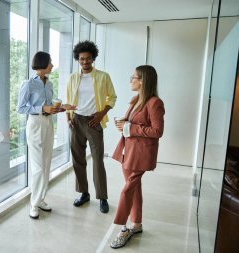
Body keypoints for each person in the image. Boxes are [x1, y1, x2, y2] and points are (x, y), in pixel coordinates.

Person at [110, 65, 165, 249]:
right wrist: (123, 124)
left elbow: (158, 131)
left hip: (141, 155)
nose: (130, 80)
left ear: (142, 81)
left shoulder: (155, 103)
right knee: (134, 189)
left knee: (127, 190)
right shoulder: (136, 100)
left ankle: (124, 228)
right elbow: (132, 125)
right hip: (128, 151)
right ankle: (137, 224)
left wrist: (130, 128)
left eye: (133, 77)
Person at [17, 51, 74, 219]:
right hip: (35, 124)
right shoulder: (28, 84)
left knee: (47, 164)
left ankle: (41, 199)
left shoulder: (49, 84)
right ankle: (33, 205)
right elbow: (20, 108)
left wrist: (63, 107)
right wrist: (41, 108)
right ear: (42, 63)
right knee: (38, 167)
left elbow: (50, 107)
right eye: (50, 62)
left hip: (48, 124)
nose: (52, 65)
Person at [66, 41, 117, 213]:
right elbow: (68, 101)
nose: (85, 62)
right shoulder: (73, 78)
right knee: (78, 159)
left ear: (93, 59)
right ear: (77, 59)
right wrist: (68, 118)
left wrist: (102, 113)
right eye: (81, 59)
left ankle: (102, 197)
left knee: (97, 160)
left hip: (94, 122)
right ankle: (84, 193)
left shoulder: (103, 76)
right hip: (76, 120)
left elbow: (112, 97)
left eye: (88, 59)